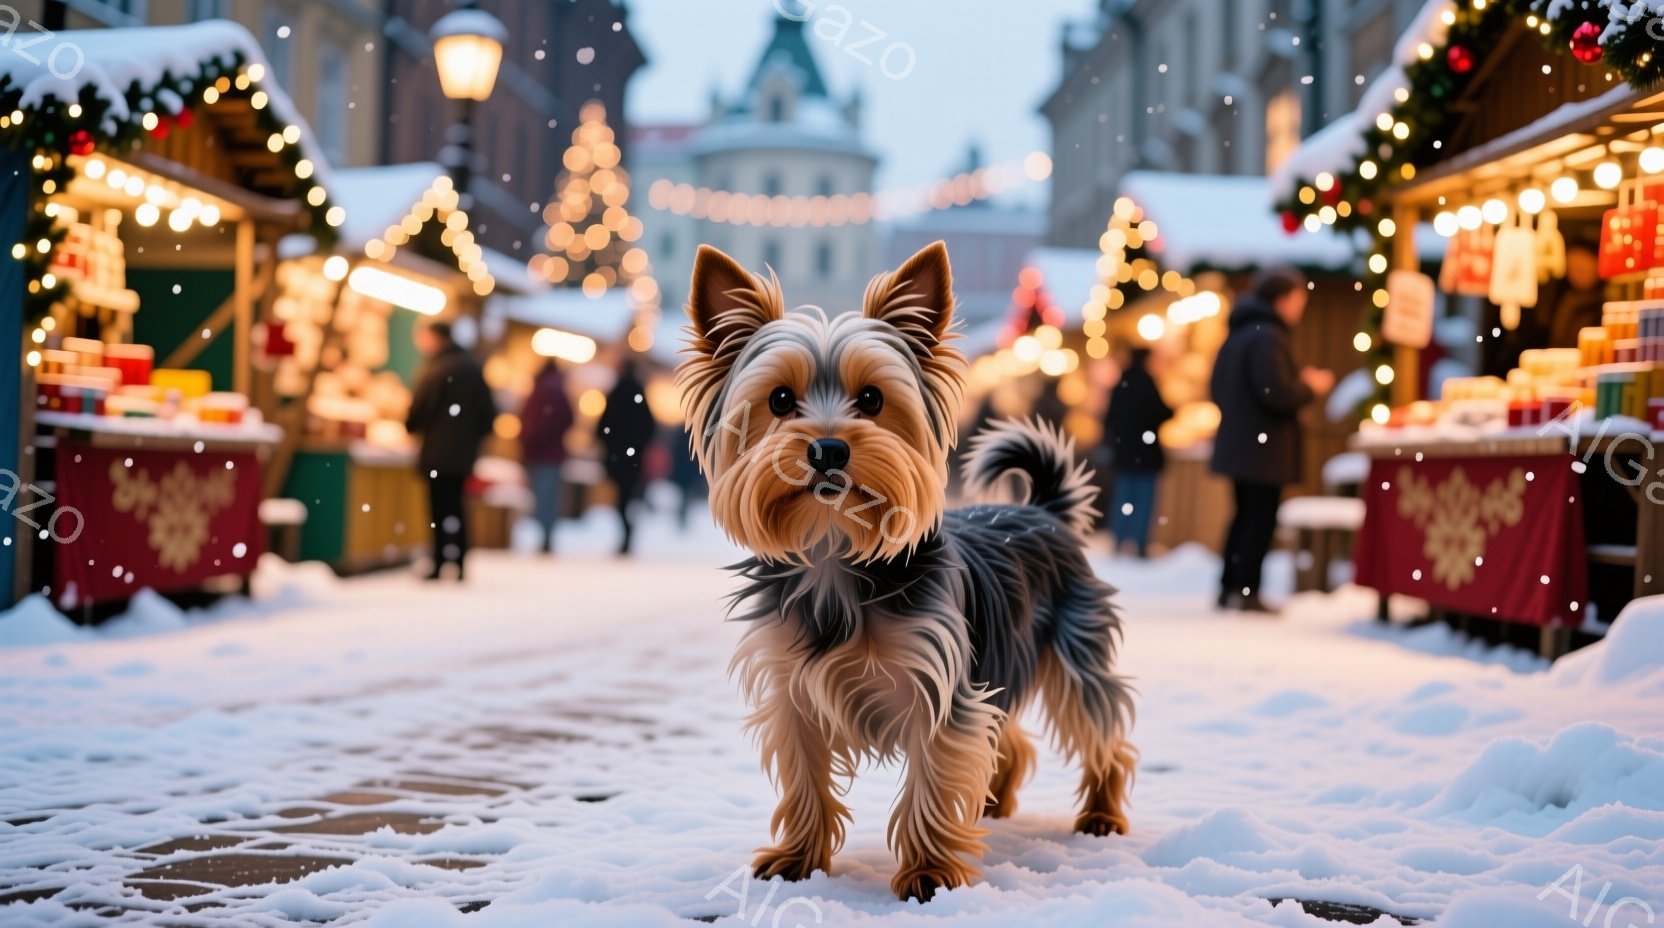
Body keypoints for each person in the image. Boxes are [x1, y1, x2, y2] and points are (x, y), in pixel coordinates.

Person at [1209, 268, 1333, 613]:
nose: (1300, 309)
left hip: (1242, 442)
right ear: (1282, 300)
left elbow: (1218, 388)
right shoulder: (1268, 337)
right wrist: (1309, 386)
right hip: (1263, 448)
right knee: (1259, 519)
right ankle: (1247, 591)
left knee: (1243, 515)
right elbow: (1274, 390)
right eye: (1297, 301)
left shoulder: (1239, 333)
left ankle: (1229, 586)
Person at [406, 321, 495, 581]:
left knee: (437, 508)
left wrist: (413, 425)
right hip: (462, 453)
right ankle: (459, 562)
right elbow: (488, 415)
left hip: (437, 451)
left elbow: (419, 410)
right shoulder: (472, 367)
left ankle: (439, 560)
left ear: (436, 338)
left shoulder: (437, 369)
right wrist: (470, 440)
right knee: (457, 506)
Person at [1102, 347, 1173, 559]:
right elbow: (1160, 412)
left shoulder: (1121, 385)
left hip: (1124, 453)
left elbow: (1109, 420)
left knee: (1124, 498)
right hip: (1146, 454)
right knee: (1143, 500)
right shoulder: (1147, 384)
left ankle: (1119, 538)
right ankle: (1140, 542)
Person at [596, 359, 657, 555]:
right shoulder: (638, 393)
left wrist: (609, 442)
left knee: (620, 498)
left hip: (617, 455)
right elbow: (649, 426)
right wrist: (638, 444)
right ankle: (627, 531)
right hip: (633, 457)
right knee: (627, 496)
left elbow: (604, 424)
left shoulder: (615, 393)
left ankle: (626, 531)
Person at [519, 359, 574, 554]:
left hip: (540, 453)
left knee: (543, 497)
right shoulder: (557, 391)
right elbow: (567, 419)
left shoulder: (541, 391)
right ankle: (546, 535)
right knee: (547, 497)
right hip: (549, 453)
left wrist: (532, 437)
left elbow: (529, 420)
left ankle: (546, 535)